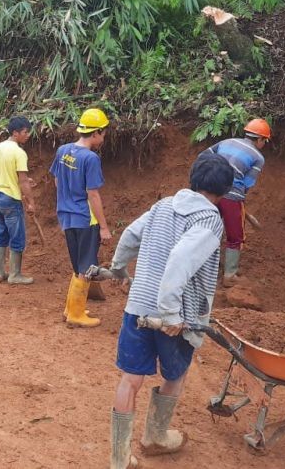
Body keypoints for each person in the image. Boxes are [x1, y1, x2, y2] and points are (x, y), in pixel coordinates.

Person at [105, 152, 235, 469]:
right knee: (175, 375)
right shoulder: (209, 220)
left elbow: (130, 235)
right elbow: (179, 261)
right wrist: (171, 314)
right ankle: (156, 437)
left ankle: (119, 460)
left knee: (130, 379)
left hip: (137, 307)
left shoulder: (162, 206)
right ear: (224, 190)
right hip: (176, 315)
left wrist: (118, 267)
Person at [50, 108, 113, 328]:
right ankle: (76, 314)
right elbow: (93, 194)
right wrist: (104, 227)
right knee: (86, 267)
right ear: (96, 133)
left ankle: (71, 309)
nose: (104, 137)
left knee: (78, 265)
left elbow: (57, 182)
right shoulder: (90, 158)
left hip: (66, 216)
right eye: (103, 133)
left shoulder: (63, 150)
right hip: (85, 219)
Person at [205, 117, 271, 285]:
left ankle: (207, 268)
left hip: (209, 191)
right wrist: (238, 201)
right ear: (261, 139)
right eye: (265, 141)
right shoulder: (258, 157)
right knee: (235, 236)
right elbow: (247, 184)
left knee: (209, 228)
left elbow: (204, 156)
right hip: (232, 195)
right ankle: (230, 276)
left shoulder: (226, 141)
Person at [0, 116, 37, 284]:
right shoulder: (19, 152)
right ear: (16, 133)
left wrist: (23, 181)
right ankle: (15, 275)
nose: (28, 135)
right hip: (11, 199)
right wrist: (31, 202)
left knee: (1, 233)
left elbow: (6, 172)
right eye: (25, 132)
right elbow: (22, 180)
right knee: (17, 236)